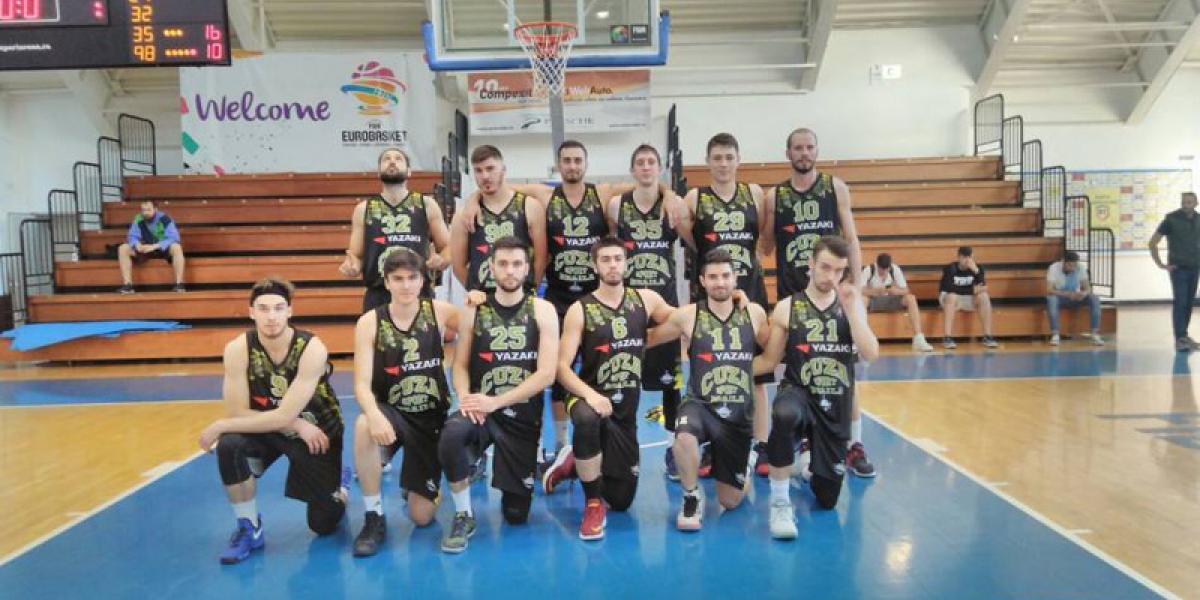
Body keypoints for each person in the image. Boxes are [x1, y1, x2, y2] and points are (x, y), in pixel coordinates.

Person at [460, 140, 681, 460]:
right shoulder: (545, 195)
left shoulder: (601, 193)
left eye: (578, 160)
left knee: (609, 365)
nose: (573, 165)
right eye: (567, 160)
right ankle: (562, 442)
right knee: (552, 367)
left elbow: (645, 181)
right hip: (559, 298)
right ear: (559, 165)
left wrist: (668, 192)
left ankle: (610, 427)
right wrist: (472, 198)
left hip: (596, 298)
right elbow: (500, 186)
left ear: (586, 164)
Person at [198, 278, 347, 564]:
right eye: (263, 309)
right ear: (251, 312)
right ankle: (249, 527)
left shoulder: (311, 348)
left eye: (278, 308)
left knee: (323, 524)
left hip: (317, 432)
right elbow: (238, 412)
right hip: (274, 428)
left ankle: (340, 487)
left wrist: (220, 425)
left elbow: (277, 414)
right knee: (230, 446)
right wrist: (295, 424)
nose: (271, 316)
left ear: (290, 311)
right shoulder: (238, 349)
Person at [541, 237, 676, 540]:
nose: (612, 265)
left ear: (626, 263)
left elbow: (683, 320)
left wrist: (733, 299)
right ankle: (592, 504)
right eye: (605, 259)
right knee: (587, 419)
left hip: (624, 410)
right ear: (595, 266)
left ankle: (574, 461)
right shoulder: (580, 309)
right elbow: (561, 368)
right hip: (587, 395)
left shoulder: (646, 300)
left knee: (621, 501)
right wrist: (590, 395)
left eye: (617, 258)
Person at [437, 236, 559, 553]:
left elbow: (546, 374)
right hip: (481, 413)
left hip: (521, 418)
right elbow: (460, 365)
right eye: (502, 264)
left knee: (516, 515)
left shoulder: (543, 310)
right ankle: (464, 513)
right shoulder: (474, 309)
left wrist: (495, 402)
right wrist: (465, 398)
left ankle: (503, 467)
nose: (510, 270)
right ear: (491, 268)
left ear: (527, 268)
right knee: (451, 435)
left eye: (517, 264)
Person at [753, 236, 880, 539]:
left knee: (827, 499)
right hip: (798, 392)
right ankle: (780, 502)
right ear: (810, 264)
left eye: (838, 270)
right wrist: (722, 367)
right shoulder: (787, 307)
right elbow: (769, 361)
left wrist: (851, 310)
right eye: (825, 267)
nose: (831, 276)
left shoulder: (852, 304)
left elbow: (870, 353)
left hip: (835, 402)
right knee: (784, 414)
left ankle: (811, 462)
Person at [645, 249, 770, 531]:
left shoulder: (754, 313)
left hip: (738, 413)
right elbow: (650, 338)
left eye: (725, 276)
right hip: (700, 404)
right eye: (713, 277)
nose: (720, 282)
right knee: (684, 436)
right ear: (702, 281)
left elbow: (774, 351)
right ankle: (691, 496)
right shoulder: (688, 315)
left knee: (729, 500)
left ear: (735, 278)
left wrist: (744, 368)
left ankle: (744, 465)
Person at [349, 248, 462, 558]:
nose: (406, 285)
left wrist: (477, 301)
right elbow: (360, 384)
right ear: (386, 282)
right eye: (398, 279)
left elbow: (482, 325)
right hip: (392, 412)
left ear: (422, 280)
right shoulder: (370, 322)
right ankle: (373, 516)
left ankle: (419, 487)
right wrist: (374, 414)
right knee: (363, 426)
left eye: (412, 278)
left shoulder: (439, 311)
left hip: (430, 419)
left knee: (421, 518)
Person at [609, 144, 689, 480]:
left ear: (659, 168)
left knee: (671, 383)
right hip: (629, 303)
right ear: (632, 169)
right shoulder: (617, 205)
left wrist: (670, 195)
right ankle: (622, 447)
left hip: (665, 301)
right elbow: (611, 247)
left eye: (651, 162)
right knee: (624, 378)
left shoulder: (673, 205)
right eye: (640, 162)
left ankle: (673, 448)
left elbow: (691, 241)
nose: (645, 167)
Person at [340, 147, 451, 311]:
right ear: (378, 172)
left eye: (398, 158)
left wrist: (441, 261)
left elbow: (448, 248)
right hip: (379, 293)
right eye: (386, 159)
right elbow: (356, 255)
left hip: (418, 291)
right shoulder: (364, 209)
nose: (392, 161)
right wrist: (353, 267)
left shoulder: (426, 204)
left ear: (409, 171)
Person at [762, 127, 863, 297]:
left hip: (831, 288)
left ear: (817, 151)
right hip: (791, 291)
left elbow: (851, 240)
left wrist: (858, 283)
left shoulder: (836, 187)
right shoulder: (775, 196)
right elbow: (766, 248)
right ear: (788, 153)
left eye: (810, 147)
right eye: (798, 148)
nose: (805, 153)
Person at [679, 133, 769, 306]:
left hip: (750, 285)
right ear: (708, 161)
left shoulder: (754, 193)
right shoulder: (694, 198)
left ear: (738, 160)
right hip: (711, 289)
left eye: (729, 157)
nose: (723, 164)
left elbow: (762, 234)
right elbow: (691, 242)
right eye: (717, 158)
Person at [449, 145, 548, 294]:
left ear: (503, 169)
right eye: (478, 170)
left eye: (490, 169)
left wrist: (531, 290)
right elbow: (458, 266)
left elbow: (541, 259)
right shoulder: (463, 215)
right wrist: (477, 292)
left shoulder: (530, 207)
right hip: (483, 299)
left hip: (522, 296)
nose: (485, 176)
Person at [1148, 192, 1200, 352]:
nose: (1186, 205)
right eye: (1184, 202)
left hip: (1194, 267)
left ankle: (1183, 335)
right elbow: (1153, 242)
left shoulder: (1199, 219)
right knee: (1181, 302)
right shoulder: (1171, 220)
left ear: (1196, 203)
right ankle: (1180, 339)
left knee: (1189, 303)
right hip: (1178, 269)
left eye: (1189, 202)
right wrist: (1161, 264)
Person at [861, 253, 933, 352]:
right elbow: (859, 290)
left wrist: (896, 291)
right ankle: (862, 338)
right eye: (881, 270)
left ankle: (918, 338)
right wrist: (875, 291)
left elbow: (906, 290)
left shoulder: (895, 269)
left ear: (889, 267)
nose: (884, 272)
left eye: (886, 270)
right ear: (877, 265)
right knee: (862, 300)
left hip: (892, 299)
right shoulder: (869, 270)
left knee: (911, 299)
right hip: (874, 300)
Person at [117, 199, 186, 293]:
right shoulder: (138, 219)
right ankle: (128, 285)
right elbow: (132, 236)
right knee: (123, 248)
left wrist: (155, 246)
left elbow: (174, 237)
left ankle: (179, 284)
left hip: (162, 249)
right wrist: (137, 245)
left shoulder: (164, 219)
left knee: (177, 247)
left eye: (148, 210)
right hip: (145, 249)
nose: (145, 213)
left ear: (155, 209)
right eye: (143, 210)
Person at [939, 246, 999, 349]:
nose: (967, 260)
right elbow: (949, 288)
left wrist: (976, 271)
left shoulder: (978, 268)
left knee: (984, 296)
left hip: (968, 299)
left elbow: (983, 287)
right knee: (951, 296)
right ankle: (947, 337)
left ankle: (987, 336)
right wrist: (972, 290)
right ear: (959, 257)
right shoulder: (950, 268)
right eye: (964, 257)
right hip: (950, 299)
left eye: (969, 257)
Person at [1045, 251, 1105, 346]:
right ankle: (1055, 334)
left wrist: (1083, 293)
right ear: (1063, 262)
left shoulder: (1081, 268)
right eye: (1069, 265)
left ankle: (1095, 333)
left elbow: (1088, 288)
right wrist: (1067, 294)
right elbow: (1049, 290)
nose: (1072, 268)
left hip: (1075, 297)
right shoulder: (1053, 268)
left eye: (1074, 265)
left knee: (1094, 298)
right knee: (1051, 299)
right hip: (1060, 298)